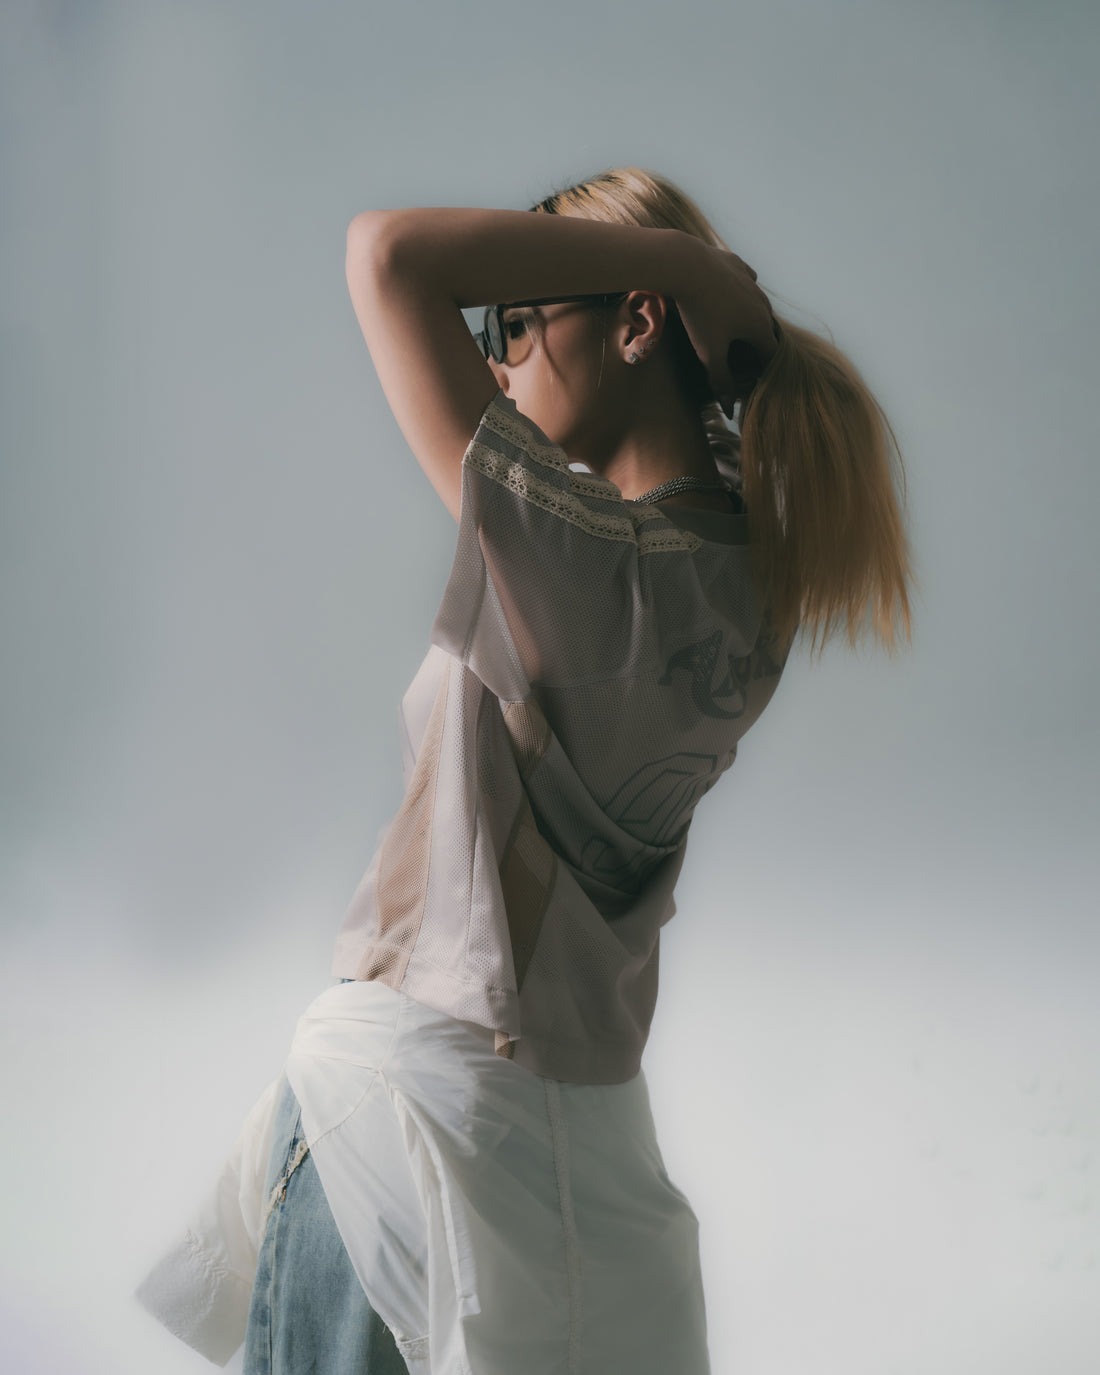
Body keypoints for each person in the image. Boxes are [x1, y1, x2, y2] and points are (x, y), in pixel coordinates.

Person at [135, 166, 913, 1374]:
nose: (495, 366)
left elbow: (386, 254)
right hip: (583, 1145)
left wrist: (680, 265)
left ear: (636, 319)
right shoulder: (760, 587)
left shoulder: (580, 552)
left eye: (513, 326)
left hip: (398, 1118)